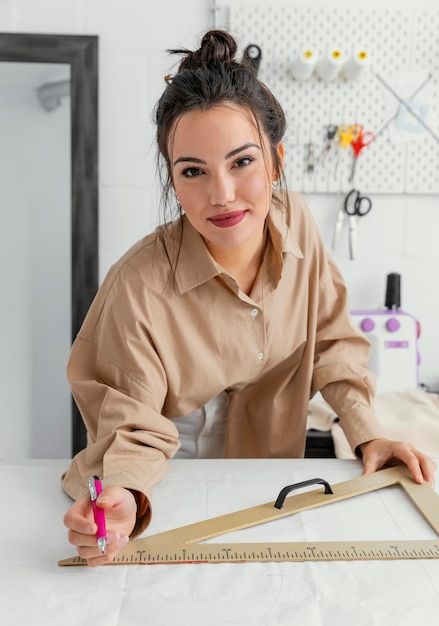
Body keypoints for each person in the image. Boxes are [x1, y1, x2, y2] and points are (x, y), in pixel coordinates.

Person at [62, 29, 436, 566]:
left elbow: (331, 340)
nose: (222, 195)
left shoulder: (299, 221)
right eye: (193, 172)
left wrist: (368, 433)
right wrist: (124, 496)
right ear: (173, 181)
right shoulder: (139, 284)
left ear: (276, 162)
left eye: (241, 162)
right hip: (171, 467)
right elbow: (131, 422)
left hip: (268, 460)